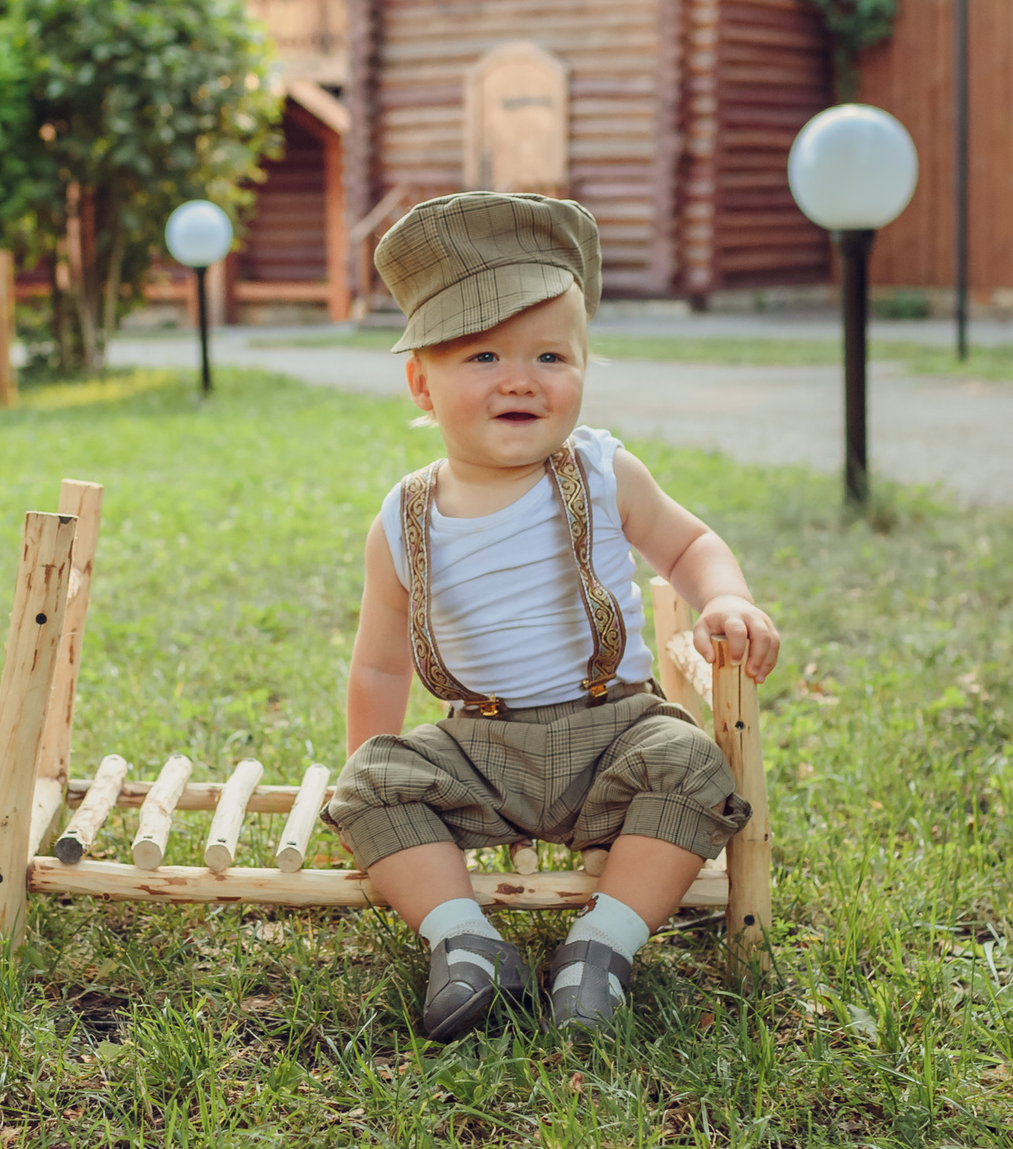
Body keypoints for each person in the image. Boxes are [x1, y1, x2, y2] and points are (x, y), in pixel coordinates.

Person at [325, 191, 780, 1039]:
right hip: (477, 746)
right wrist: (374, 790)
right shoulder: (405, 518)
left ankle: (601, 948)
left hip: (614, 732)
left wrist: (726, 596)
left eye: (550, 355)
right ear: (421, 381)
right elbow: (380, 665)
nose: (520, 378)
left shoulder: (606, 474)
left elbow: (690, 545)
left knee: (687, 759)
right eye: (483, 355)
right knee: (369, 784)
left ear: (582, 365)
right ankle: (466, 944)